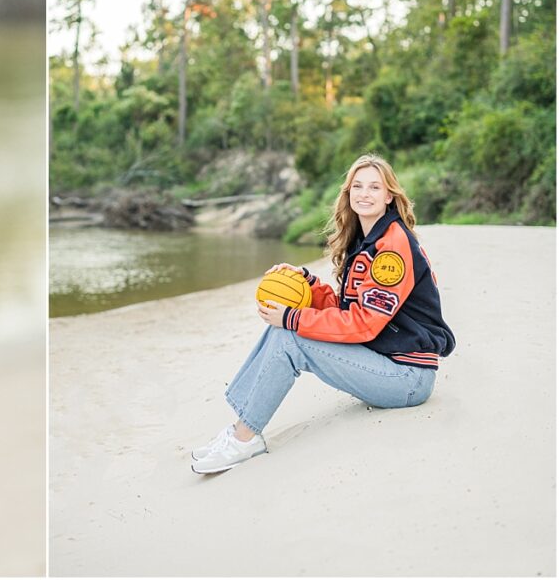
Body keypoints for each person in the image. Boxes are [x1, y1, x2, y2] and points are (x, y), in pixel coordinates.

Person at [191, 153, 456, 475]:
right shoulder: (365, 240)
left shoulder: (392, 250)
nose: (364, 193)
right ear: (348, 193)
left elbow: (364, 325)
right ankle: (238, 432)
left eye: (374, 187)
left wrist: (293, 318)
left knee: (289, 336)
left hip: (406, 378)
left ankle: (245, 438)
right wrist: (307, 284)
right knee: (282, 331)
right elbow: (347, 311)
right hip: (383, 362)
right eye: (357, 186)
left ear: (389, 196)